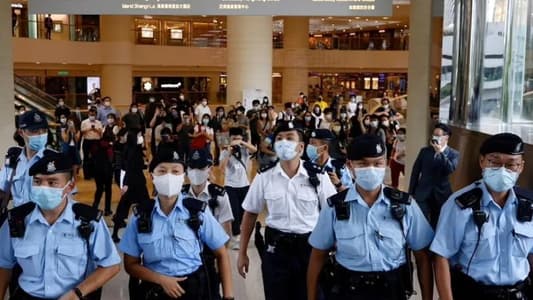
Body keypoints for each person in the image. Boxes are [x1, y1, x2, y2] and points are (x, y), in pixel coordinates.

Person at [307, 134, 434, 300]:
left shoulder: (404, 205)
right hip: (349, 290)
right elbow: (317, 256)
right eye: (363, 164)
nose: (371, 169)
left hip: (392, 290)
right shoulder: (334, 208)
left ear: (386, 163)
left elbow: (422, 258)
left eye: (378, 163)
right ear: (350, 166)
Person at [0, 150, 121, 300]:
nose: (43, 188)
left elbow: (111, 265)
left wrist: (76, 294)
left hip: (73, 296)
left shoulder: (89, 220)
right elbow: (3, 266)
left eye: (52, 182)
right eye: (37, 181)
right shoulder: (16, 220)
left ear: (69, 187)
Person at [237, 120, 337, 300]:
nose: (284, 142)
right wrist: (242, 252)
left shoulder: (318, 176)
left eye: (289, 138)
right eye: (279, 138)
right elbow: (250, 213)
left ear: (300, 147)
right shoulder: (264, 176)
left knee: (311, 294)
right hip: (276, 249)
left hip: (310, 248)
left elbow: (333, 213)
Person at [118, 148, 235, 300]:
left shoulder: (198, 212)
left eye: (175, 171)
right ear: (151, 175)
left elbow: (222, 254)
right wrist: (161, 280)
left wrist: (228, 296)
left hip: (195, 290)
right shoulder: (140, 216)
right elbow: (130, 264)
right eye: (162, 171)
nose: (169, 176)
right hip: (156, 290)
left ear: (183, 176)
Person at [431, 133, 532, 300]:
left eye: (511, 165)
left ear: (520, 167)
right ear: (482, 161)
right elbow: (441, 256)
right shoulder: (459, 205)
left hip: (519, 293)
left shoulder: (529, 206)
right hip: (474, 292)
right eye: (494, 162)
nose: (502, 170)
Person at [185, 148, 234, 299]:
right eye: (192, 168)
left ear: (209, 169)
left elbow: (226, 233)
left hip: (209, 256)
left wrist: (220, 263)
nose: (195, 172)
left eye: (200, 168)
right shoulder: (180, 194)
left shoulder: (219, 195)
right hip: (185, 256)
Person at [409, 123, 459, 228]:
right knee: (420, 221)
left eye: (438, 135)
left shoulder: (454, 154)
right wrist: (411, 192)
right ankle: (421, 243)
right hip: (422, 192)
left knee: (437, 223)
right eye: (434, 135)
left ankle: (433, 243)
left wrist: (440, 153)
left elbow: (449, 169)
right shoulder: (425, 151)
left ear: (446, 137)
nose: (435, 137)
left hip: (441, 194)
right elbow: (415, 172)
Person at [0, 110, 49, 207]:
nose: (40, 134)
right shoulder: (13, 160)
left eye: (43, 130)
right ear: (21, 132)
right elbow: (2, 190)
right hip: (17, 219)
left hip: (44, 220)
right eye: (34, 131)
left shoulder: (55, 160)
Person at [220, 127, 257, 250]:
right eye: (234, 138)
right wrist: (229, 152)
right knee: (234, 212)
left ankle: (242, 234)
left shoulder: (244, 150)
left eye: (238, 138)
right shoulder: (225, 151)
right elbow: (221, 168)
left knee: (244, 211)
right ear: (229, 138)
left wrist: (242, 143)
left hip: (244, 185)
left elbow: (254, 150)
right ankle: (235, 237)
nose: (236, 140)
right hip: (230, 186)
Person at [112, 130, 149, 242]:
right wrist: (126, 184)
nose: (140, 137)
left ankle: (115, 232)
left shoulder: (129, 148)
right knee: (145, 206)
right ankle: (146, 230)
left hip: (133, 182)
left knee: (123, 208)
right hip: (136, 183)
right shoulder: (133, 150)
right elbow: (131, 168)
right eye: (138, 136)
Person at [80, 108, 103, 180]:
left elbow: (101, 134)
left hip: (96, 142)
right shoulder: (84, 122)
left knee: (96, 159)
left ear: (96, 115)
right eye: (91, 114)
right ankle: (87, 175)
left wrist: (95, 129)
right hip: (87, 141)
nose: (92, 116)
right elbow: (82, 132)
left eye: (93, 115)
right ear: (88, 114)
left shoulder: (99, 122)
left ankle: (95, 175)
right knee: (86, 158)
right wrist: (89, 129)